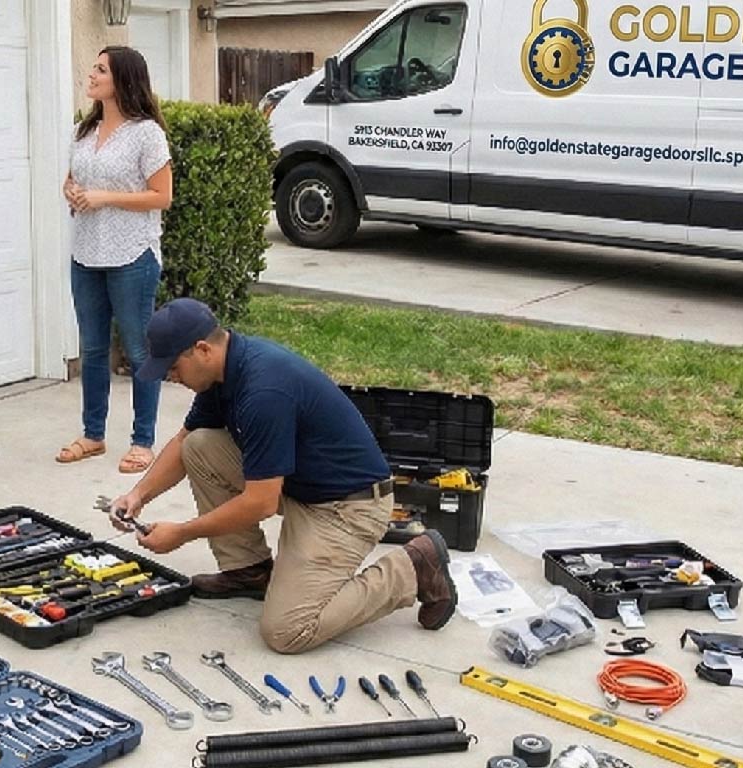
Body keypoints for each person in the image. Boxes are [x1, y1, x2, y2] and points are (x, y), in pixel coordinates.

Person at [110, 298, 458, 654]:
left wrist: (183, 533)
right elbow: (184, 440)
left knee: (288, 631)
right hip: (300, 487)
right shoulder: (222, 372)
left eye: (172, 367)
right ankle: (249, 571)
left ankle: (412, 567)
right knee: (199, 445)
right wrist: (138, 495)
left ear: (202, 350)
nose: (170, 377)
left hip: (346, 508)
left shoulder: (263, 391)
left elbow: (260, 503)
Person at [57, 46, 173, 474]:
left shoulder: (147, 134)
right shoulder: (83, 130)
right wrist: (71, 191)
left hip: (132, 254)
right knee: (91, 349)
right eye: (94, 67)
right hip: (86, 252)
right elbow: (73, 179)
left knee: (139, 350)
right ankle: (93, 435)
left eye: (100, 69)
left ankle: (143, 441)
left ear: (122, 79)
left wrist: (104, 197)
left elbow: (162, 196)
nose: (91, 75)